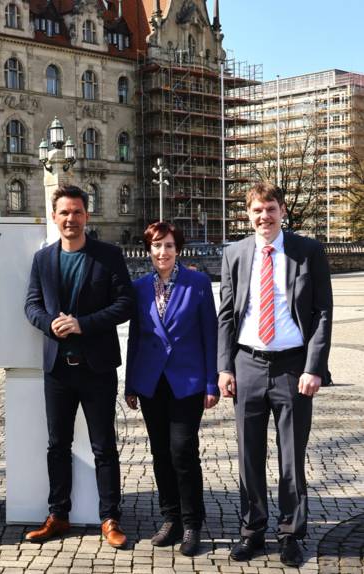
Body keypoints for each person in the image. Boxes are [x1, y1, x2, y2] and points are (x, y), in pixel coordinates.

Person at [217, 182, 333, 567]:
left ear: (282, 210)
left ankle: (291, 534)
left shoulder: (308, 252)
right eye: (256, 210)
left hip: (292, 367)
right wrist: (224, 367)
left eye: (270, 209)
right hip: (247, 364)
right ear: (247, 215)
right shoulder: (234, 253)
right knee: (249, 456)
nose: (263, 216)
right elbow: (227, 314)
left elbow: (322, 313)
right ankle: (252, 531)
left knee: (290, 457)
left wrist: (313, 367)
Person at [24, 185, 135, 547]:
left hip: (97, 367)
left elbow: (125, 304)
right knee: (57, 445)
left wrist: (82, 323)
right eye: (64, 213)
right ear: (54, 218)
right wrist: (49, 324)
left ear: (87, 215)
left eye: (76, 212)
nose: (70, 219)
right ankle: (58, 515)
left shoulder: (108, 255)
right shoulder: (43, 259)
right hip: (57, 368)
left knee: (104, 446)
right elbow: (31, 304)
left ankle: (110, 518)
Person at [124, 221, 219, 557]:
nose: (162, 252)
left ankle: (193, 523)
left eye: (167, 245)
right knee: (160, 453)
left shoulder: (198, 283)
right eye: (156, 246)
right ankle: (171, 519)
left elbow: (210, 333)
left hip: (187, 381)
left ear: (177, 248)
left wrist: (212, 382)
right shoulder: (139, 288)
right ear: (149, 249)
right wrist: (130, 383)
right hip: (151, 382)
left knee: (182, 450)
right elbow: (136, 337)